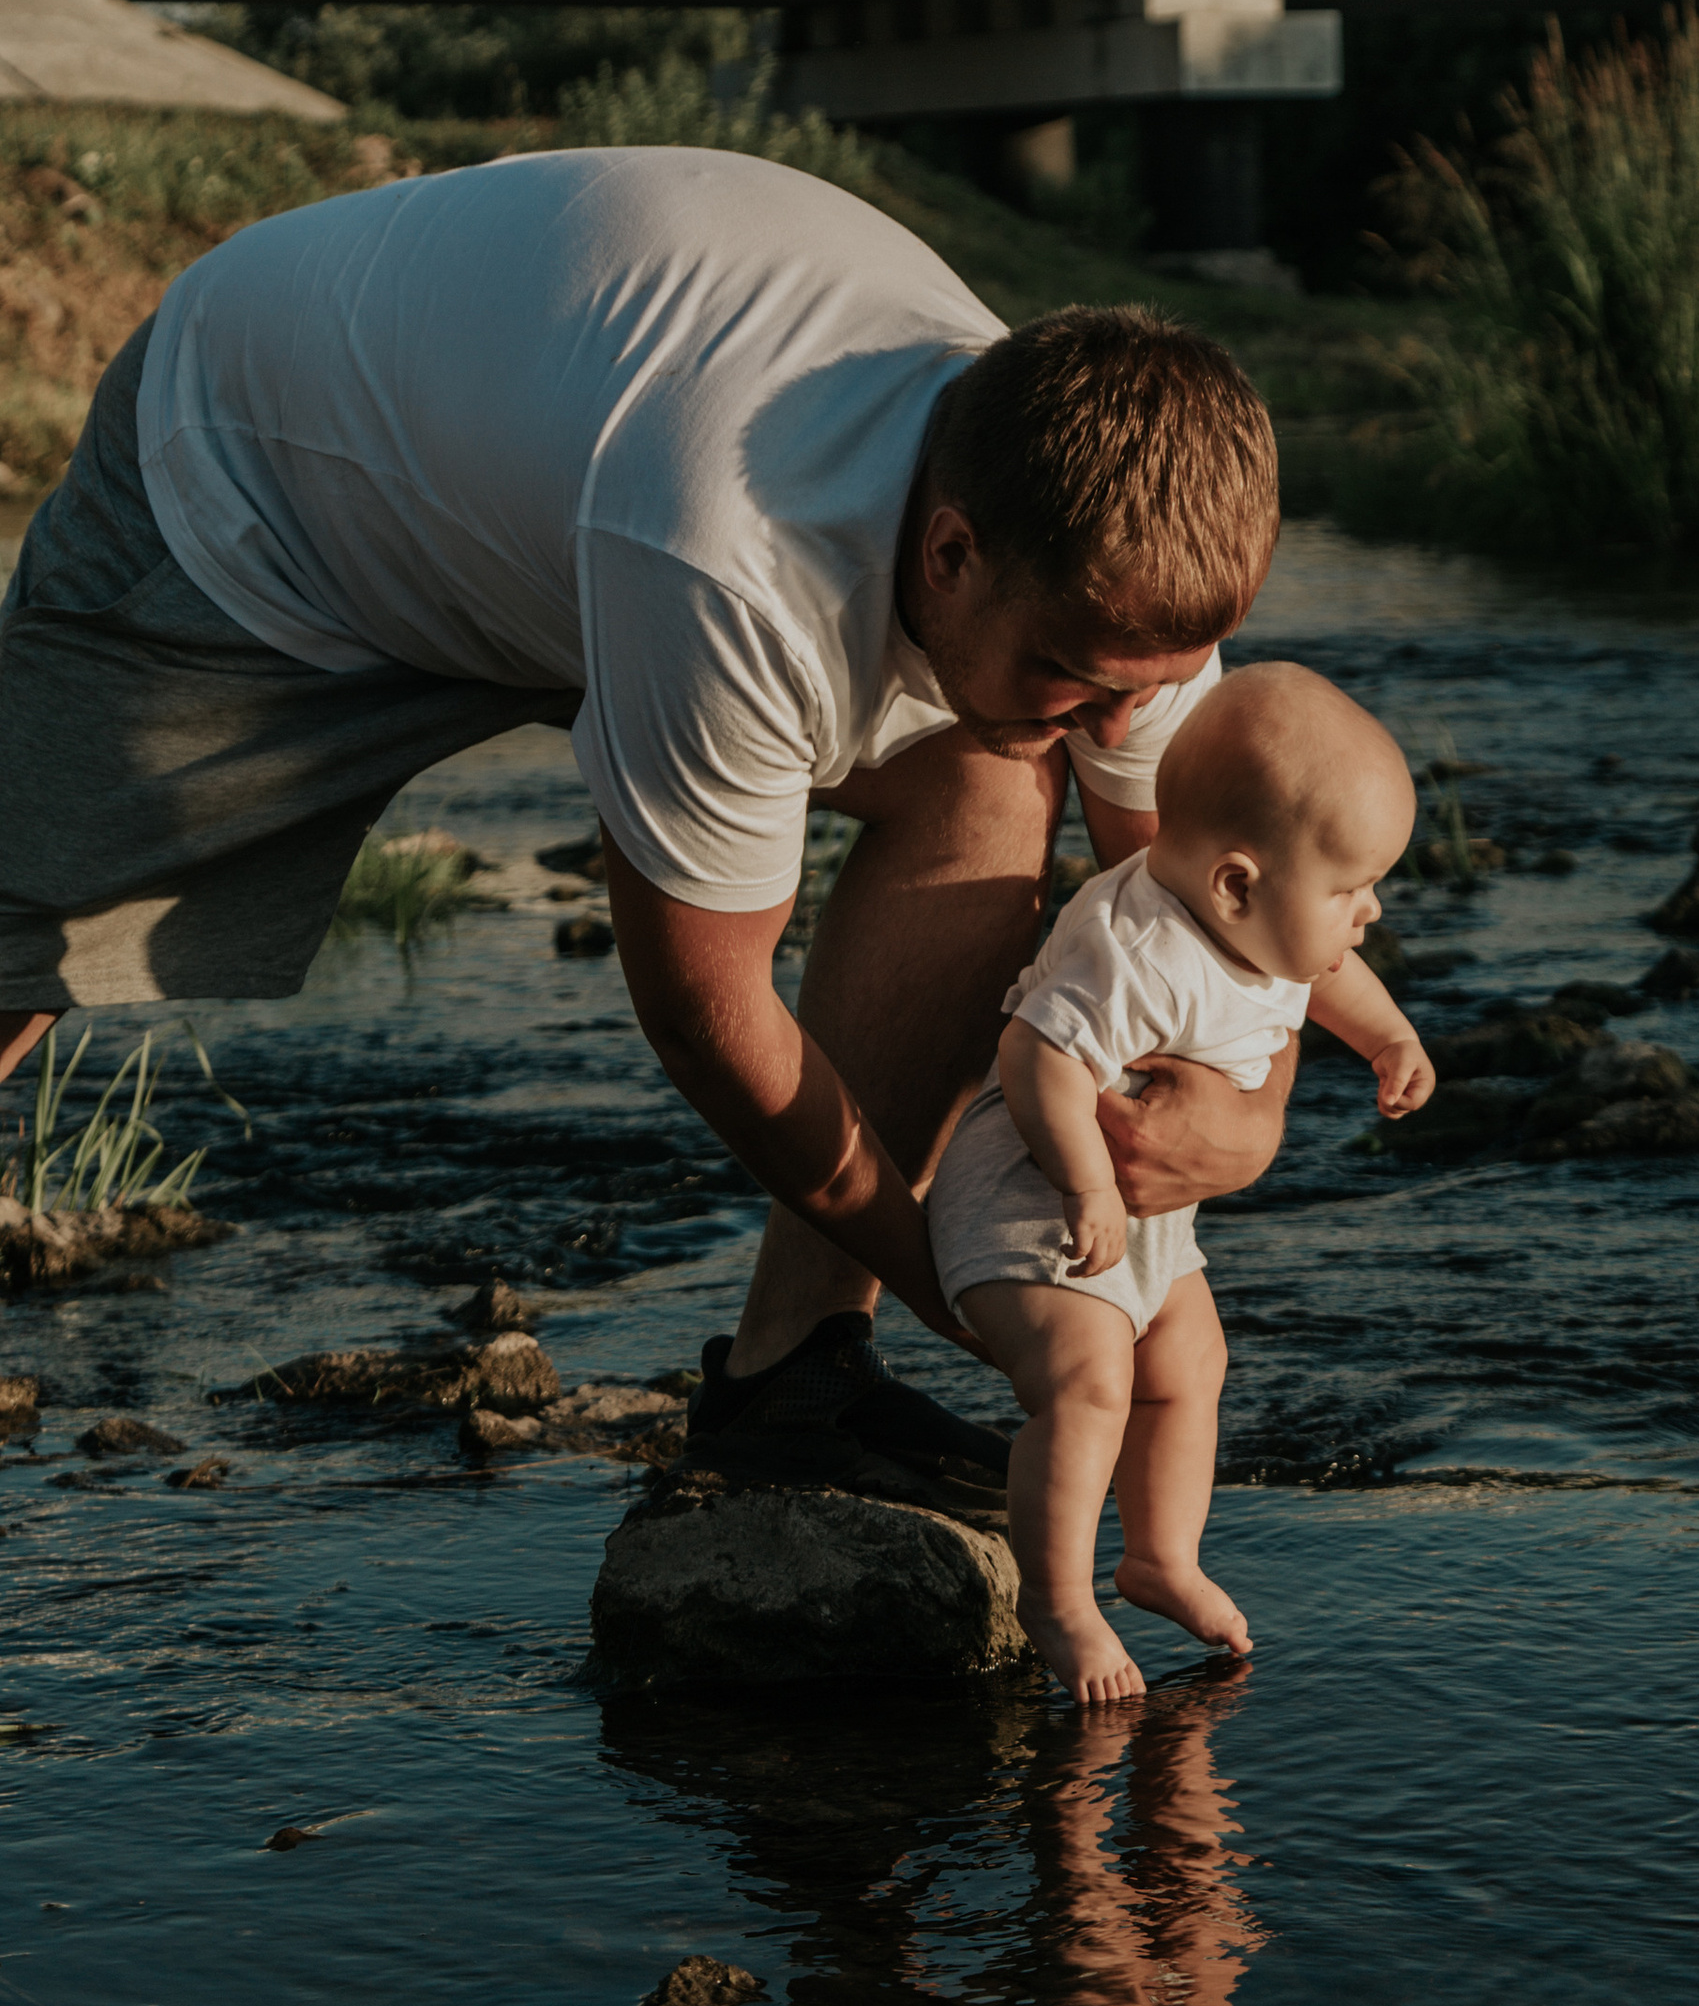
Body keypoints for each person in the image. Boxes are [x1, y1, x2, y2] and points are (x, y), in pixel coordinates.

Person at [0, 145, 1300, 1518]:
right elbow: (703, 1015)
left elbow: (1185, 917)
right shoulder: (732, 558)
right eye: (1079, 680)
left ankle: (795, 1380)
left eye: (1146, 688)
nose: (1114, 716)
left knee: (986, 773)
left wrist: (1252, 1114)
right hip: (261, 478)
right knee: (17, 926)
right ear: (952, 553)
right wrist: (966, 1280)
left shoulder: (1115, 556)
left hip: (560, 473)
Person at [932, 660, 1429, 1700]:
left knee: (1192, 1359)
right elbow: (1036, 1058)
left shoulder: (1270, 930)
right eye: (1349, 889)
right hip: (1032, 1185)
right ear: (1236, 883)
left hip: (1135, 1203)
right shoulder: (1138, 949)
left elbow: (1331, 977)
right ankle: (1057, 1602)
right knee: (1089, 1381)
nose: (1369, 910)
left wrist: (1388, 1042)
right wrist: (1086, 1187)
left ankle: (1159, 1557)